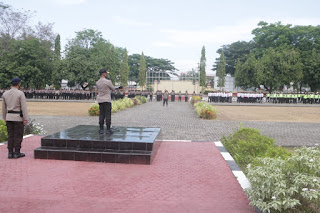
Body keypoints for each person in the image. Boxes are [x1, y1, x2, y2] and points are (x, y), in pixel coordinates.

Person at [2, 78, 29, 159]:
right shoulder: (20, 93)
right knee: (18, 135)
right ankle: (17, 152)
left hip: (9, 117)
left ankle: (10, 153)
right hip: (18, 118)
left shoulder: (5, 94)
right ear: (19, 84)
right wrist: (25, 118)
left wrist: (4, 117)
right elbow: (23, 107)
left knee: (10, 135)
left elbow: (3, 108)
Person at [96, 69, 115, 134]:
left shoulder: (97, 82)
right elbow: (113, 88)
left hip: (100, 100)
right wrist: (110, 81)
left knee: (101, 114)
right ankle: (108, 129)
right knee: (107, 114)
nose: (106, 74)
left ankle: (101, 129)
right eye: (105, 73)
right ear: (104, 74)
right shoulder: (108, 81)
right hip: (107, 99)